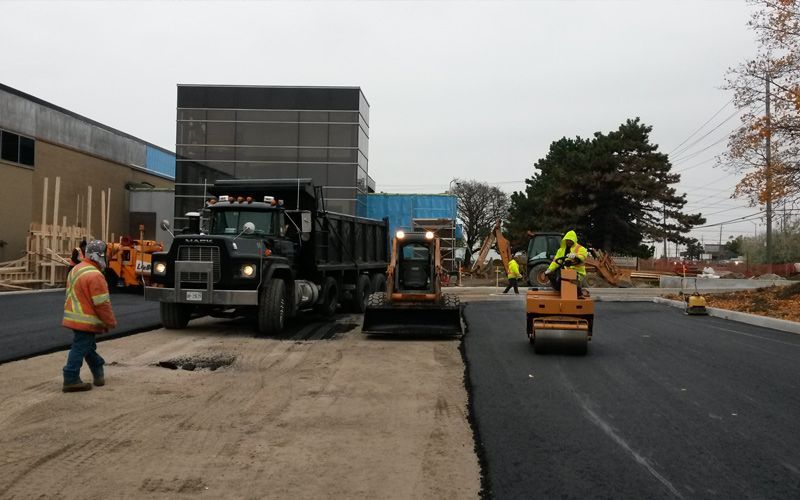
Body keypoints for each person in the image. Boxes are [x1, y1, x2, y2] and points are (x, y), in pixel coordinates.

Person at [61, 239, 117, 392]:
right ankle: (71, 378)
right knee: (80, 347)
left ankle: (98, 368)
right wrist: (109, 322)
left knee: (87, 346)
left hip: (73, 316)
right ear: (99, 256)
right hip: (86, 319)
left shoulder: (76, 269)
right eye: (106, 255)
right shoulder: (95, 275)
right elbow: (102, 304)